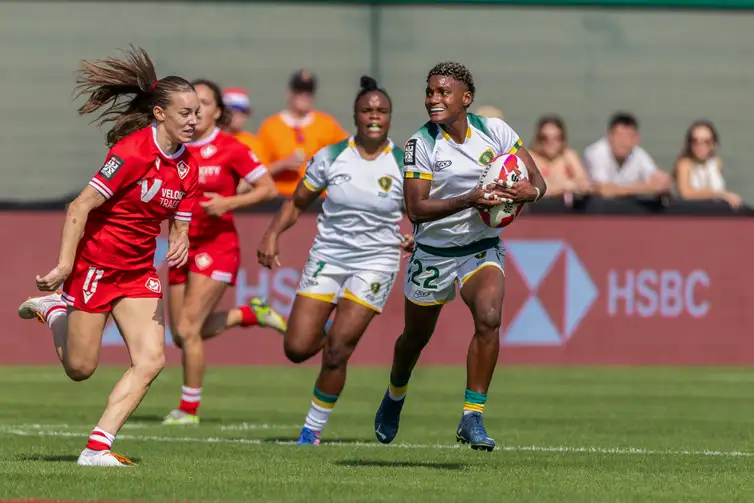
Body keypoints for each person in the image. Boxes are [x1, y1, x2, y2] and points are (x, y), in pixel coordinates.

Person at [17, 47, 199, 466]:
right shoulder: (132, 153)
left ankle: (97, 447)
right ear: (159, 114)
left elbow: (181, 218)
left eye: (197, 113)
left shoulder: (188, 167)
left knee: (152, 360)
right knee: (80, 369)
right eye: (185, 113)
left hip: (136, 272)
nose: (193, 121)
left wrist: (181, 237)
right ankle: (55, 312)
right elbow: (79, 207)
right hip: (96, 266)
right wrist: (65, 266)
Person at [373, 61, 547, 451]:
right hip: (433, 253)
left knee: (489, 318)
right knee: (414, 341)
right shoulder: (422, 144)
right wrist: (471, 198)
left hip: (480, 247)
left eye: (443, 92)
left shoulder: (496, 132)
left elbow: (538, 181)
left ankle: (472, 416)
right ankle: (395, 395)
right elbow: (416, 209)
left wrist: (528, 194)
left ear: (465, 99)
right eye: (430, 92)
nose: (434, 99)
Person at [257, 76, 413, 445]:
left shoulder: (404, 162)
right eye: (367, 110)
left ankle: (311, 430)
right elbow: (297, 202)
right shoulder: (330, 156)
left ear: (389, 117)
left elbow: (424, 211)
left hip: (377, 261)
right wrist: (272, 233)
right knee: (296, 348)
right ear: (356, 116)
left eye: (381, 110)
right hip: (329, 255)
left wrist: (415, 237)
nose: (374, 116)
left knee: (339, 350)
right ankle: (328, 328)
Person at [162, 79, 287, 426]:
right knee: (180, 333)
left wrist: (229, 202)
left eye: (203, 102)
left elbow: (268, 188)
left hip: (216, 245)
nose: (197, 109)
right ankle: (249, 314)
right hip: (180, 246)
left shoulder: (230, 148)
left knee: (188, 328)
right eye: (191, 102)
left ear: (218, 111)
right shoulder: (174, 147)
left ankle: (188, 410)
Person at [256, 70, 349, 196]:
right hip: (282, 198)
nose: (304, 96)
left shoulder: (327, 124)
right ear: (290, 93)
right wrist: (282, 164)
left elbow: (350, 154)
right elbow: (256, 173)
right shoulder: (270, 127)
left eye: (308, 92)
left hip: (318, 200)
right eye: (299, 91)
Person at [583, 113, 670, 198]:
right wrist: (645, 188)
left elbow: (658, 181)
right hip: (596, 209)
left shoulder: (639, 154)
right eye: (619, 136)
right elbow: (604, 190)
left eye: (629, 137)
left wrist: (661, 181)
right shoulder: (595, 152)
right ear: (609, 136)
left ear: (637, 139)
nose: (624, 142)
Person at [673, 120, 742, 209]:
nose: (700, 146)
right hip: (692, 214)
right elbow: (686, 194)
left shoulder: (716, 163)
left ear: (713, 144)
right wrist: (718, 194)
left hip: (715, 212)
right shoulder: (684, 164)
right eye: (695, 141)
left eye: (706, 142)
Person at [528, 115, 591, 198]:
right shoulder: (530, 157)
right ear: (537, 138)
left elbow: (585, 185)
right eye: (544, 138)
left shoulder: (568, 155)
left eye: (557, 138)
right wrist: (563, 187)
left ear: (563, 139)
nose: (551, 143)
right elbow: (529, 190)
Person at [222, 87, 269, 164]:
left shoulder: (253, 143)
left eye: (243, 111)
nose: (239, 116)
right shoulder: (209, 139)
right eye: (234, 111)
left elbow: (263, 173)